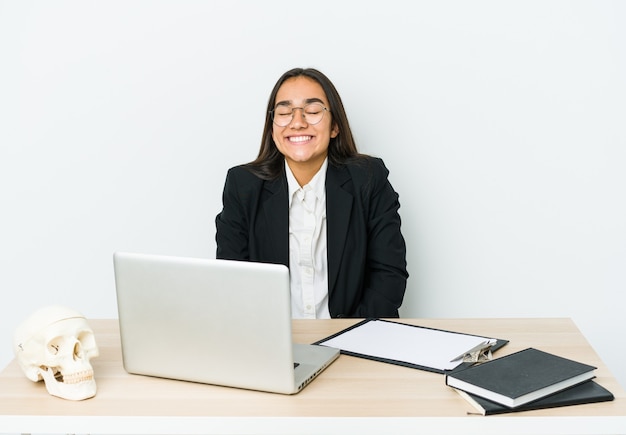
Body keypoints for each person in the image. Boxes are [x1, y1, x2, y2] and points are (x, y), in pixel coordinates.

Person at [215, 67, 408, 318]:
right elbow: (233, 282)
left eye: (313, 111)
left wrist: (348, 339)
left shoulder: (369, 178)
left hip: (356, 339)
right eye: (284, 112)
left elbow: (388, 276)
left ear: (335, 126)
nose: (297, 122)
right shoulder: (242, 185)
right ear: (273, 129)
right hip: (272, 343)